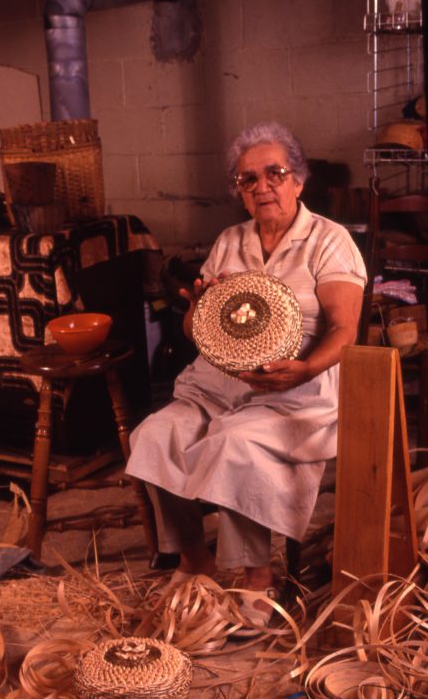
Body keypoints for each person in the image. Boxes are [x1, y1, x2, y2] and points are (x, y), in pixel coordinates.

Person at [126, 121, 367, 626]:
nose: (262, 187)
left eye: (274, 173)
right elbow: (198, 329)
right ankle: (196, 560)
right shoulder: (231, 240)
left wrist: (302, 371)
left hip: (299, 387)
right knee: (154, 435)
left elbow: (345, 330)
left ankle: (257, 575)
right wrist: (195, 309)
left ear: (298, 180)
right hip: (218, 381)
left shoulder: (329, 240)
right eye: (248, 179)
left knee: (234, 443)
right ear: (239, 191)